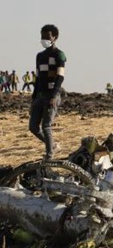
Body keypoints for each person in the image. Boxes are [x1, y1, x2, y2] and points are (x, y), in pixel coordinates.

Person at [30, 24, 66, 159]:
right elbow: (38, 77)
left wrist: (53, 95)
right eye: (42, 36)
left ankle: (49, 155)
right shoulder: (40, 56)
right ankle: (52, 145)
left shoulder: (59, 55)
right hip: (40, 95)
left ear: (54, 37)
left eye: (47, 36)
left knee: (46, 126)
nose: (44, 39)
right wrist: (34, 97)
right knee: (33, 127)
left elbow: (60, 76)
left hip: (52, 94)